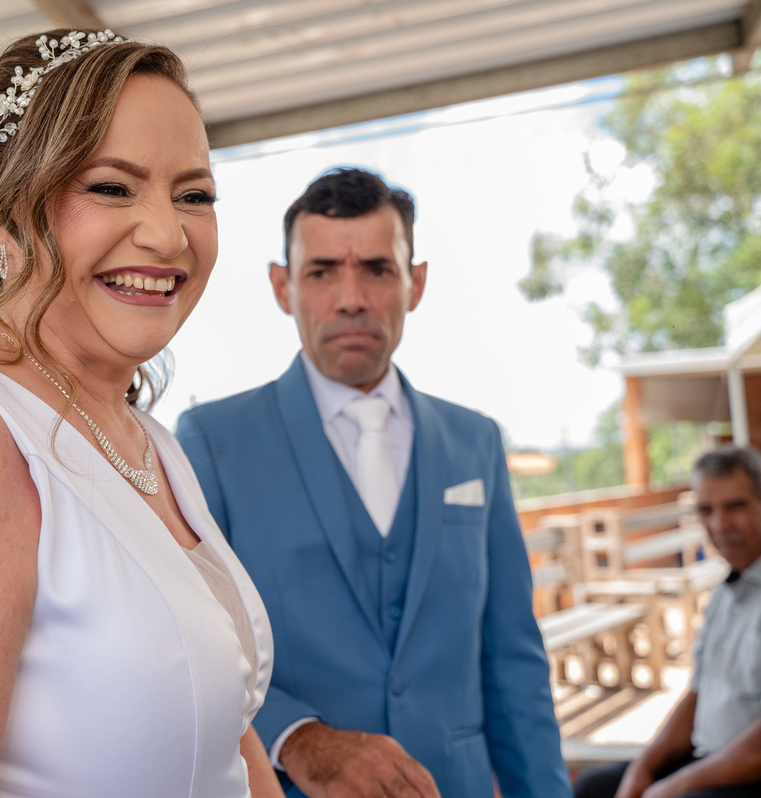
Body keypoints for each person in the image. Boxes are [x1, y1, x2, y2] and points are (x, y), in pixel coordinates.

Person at [0, 29, 282, 798]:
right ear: (1, 211)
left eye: (194, 195)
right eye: (112, 187)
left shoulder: (148, 442)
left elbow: (227, 745)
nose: (169, 234)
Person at [175, 167, 570, 798]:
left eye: (378, 270)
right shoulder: (207, 442)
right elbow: (190, 648)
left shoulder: (476, 443)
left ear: (415, 284)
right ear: (283, 287)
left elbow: (514, 662)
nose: (351, 297)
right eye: (323, 271)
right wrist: (297, 736)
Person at [573, 445, 761, 798]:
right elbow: (698, 694)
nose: (719, 525)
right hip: (708, 758)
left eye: (735, 506)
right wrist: (643, 768)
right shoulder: (725, 593)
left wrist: (673, 785)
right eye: (706, 510)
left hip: (750, 773)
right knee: (594, 788)